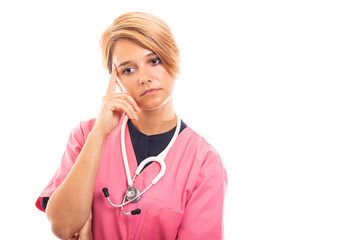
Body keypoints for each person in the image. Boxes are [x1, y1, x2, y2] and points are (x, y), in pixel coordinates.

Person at [35, 12, 227, 240]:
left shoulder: (204, 162)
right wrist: (99, 135)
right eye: (128, 69)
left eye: (154, 60)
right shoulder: (86, 135)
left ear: (173, 57)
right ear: (115, 80)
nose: (144, 78)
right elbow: (62, 227)